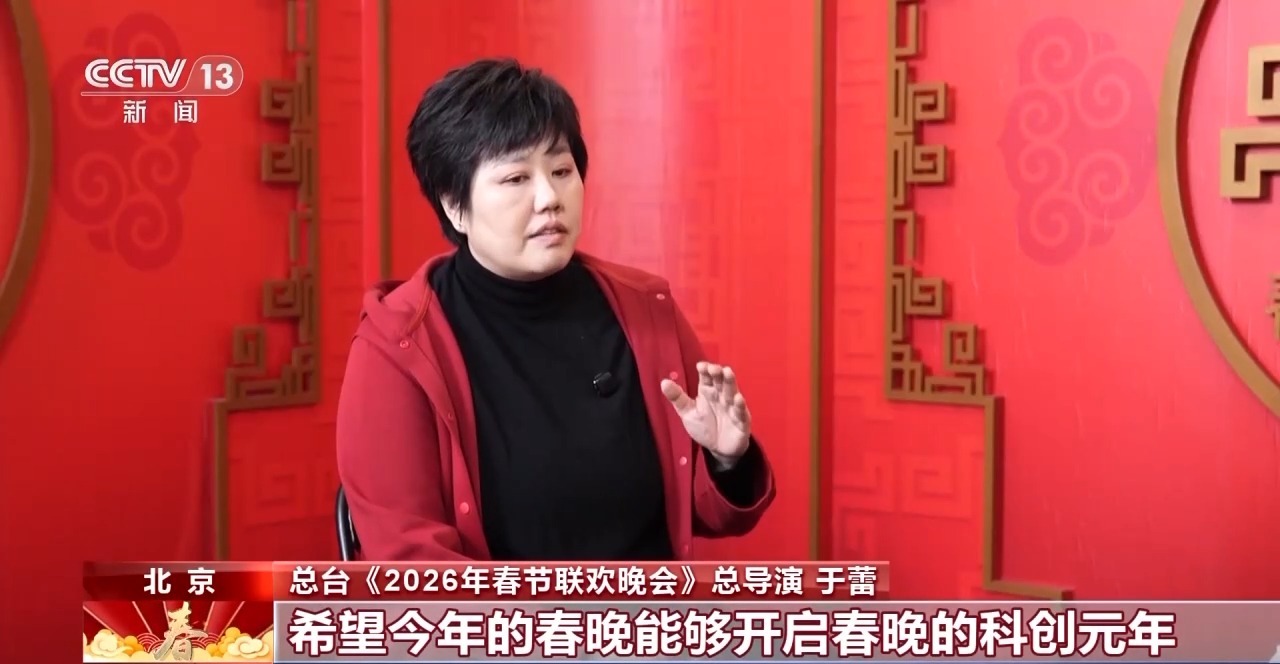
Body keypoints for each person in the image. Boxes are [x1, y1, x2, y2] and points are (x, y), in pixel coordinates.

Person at [335, 58, 775, 561]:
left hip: (648, 609)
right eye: (516, 178)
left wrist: (725, 459)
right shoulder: (398, 345)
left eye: (562, 171)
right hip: (498, 614)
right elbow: (409, 561)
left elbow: (703, 511)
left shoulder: (645, 311)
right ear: (454, 204)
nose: (549, 198)